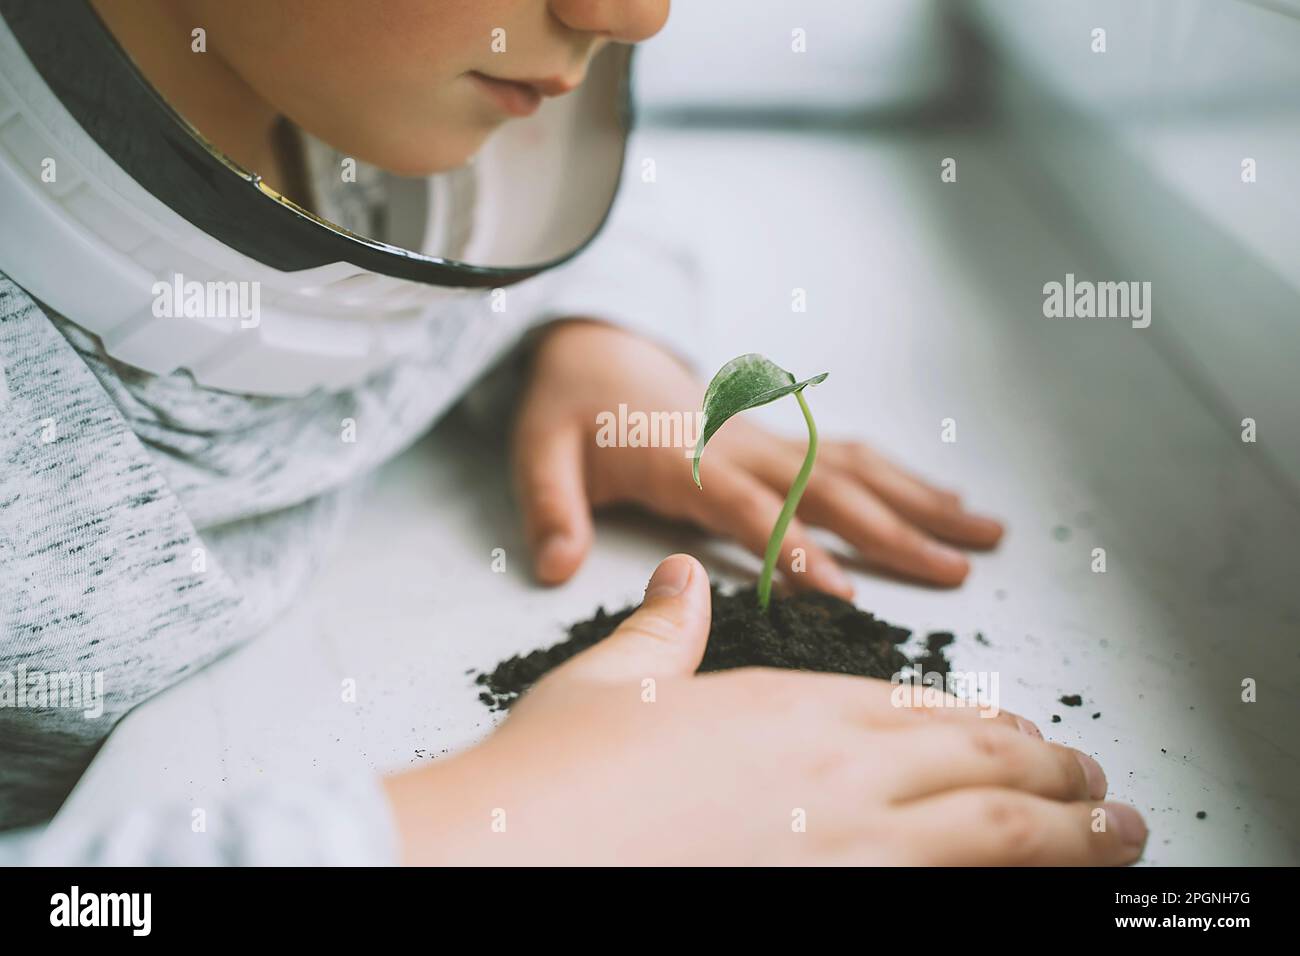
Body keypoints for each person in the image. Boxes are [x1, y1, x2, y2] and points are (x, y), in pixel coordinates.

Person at [0, 0, 1144, 864]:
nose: (634, 16)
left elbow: (578, 188)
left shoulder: (391, 86)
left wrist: (592, 339)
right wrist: (501, 835)